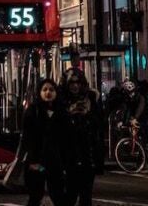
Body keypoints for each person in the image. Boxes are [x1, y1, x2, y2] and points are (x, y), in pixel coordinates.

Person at [60, 68, 104, 206]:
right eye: (72, 83)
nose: (75, 86)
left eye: (78, 82)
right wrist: (69, 113)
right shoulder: (61, 101)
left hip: (87, 155)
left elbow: (99, 125)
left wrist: (88, 114)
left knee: (86, 196)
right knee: (69, 195)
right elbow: (56, 127)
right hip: (68, 156)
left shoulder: (91, 100)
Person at [21, 78, 67, 206]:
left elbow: (66, 138)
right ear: (39, 92)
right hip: (37, 162)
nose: (48, 93)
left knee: (58, 195)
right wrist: (32, 161)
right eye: (44, 90)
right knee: (35, 195)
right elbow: (27, 138)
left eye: (51, 90)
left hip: (55, 162)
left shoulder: (61, 111)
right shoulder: (33, 111)